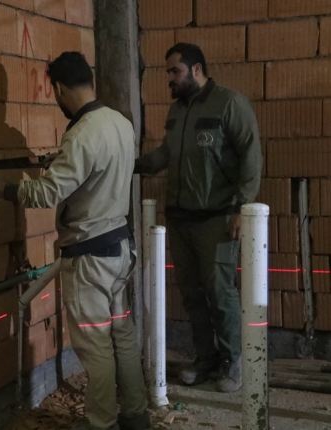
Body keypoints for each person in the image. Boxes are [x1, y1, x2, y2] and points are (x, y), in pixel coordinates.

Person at [0, 52, 152, 430]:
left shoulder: (81, 135)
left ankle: (102, 423)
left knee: (96, 347)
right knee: (121, 336)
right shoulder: (120, 122)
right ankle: (136, 417)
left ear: (58, 88)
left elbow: (47, 194)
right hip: (120, 251)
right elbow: (99, 173)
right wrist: (65, 165)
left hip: (90, 260)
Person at [135, 43, 262, 393]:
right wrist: (134, 165)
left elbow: (251, 156)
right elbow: (165, 153)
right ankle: (206, 359)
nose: (170, 78)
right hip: (180, 219)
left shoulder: (229, 104)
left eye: (175, 71)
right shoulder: (177, 111)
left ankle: (233, 361)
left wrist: (241, 208)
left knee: (220, 293)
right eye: (168, 72)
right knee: (192, 294)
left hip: (216, 219)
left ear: (196, 69)